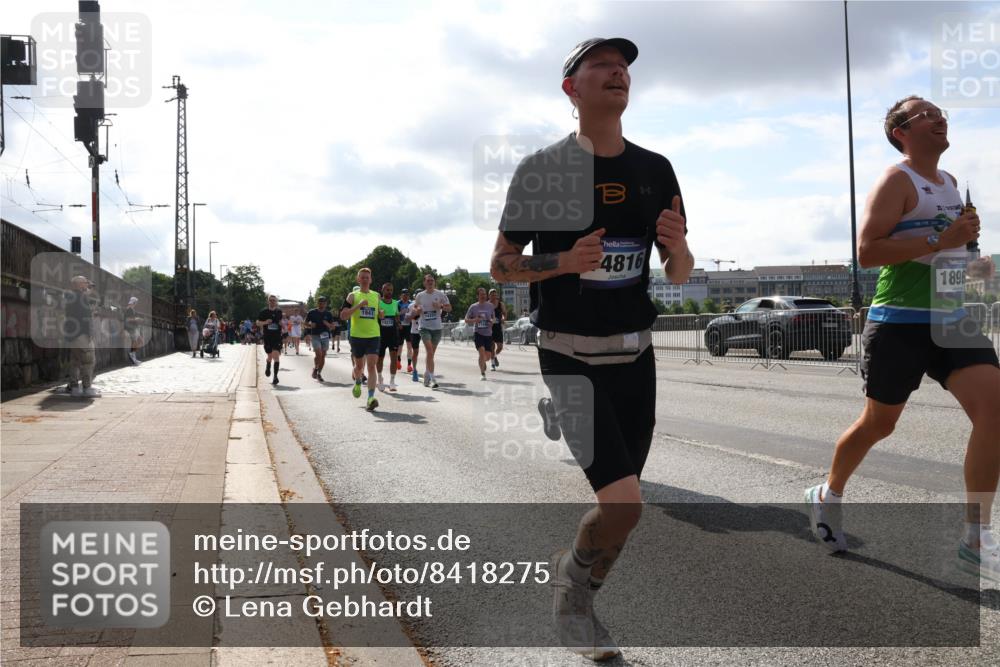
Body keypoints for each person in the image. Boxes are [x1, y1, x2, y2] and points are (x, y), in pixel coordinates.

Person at [490, 37, 692, 660]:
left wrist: (681, 247)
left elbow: (679, 271)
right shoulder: (544, 171)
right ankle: (575, 601)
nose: (618, 72)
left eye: (624, 66)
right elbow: (501, 266)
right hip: (568, 354)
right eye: (601, 65)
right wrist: (562, 261)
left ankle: (572, 569)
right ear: (570, 88)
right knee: (625, 503)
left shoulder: (656, 169)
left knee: (623, 511)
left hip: (635, 355)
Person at [805, 95, 1000, 580]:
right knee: (879, 424)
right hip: (899, 322)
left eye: (940, 112)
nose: (939, 118)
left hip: (952, 319)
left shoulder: (950, 183)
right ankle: (828, 493)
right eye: (925, 114)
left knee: (995, 412)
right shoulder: (896, 180)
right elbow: (868, 251)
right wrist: (940, 240)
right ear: (901, 133)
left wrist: (972, 264)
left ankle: (976, 538)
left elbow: (950, 256)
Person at [341, 269, 381, 411]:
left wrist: (381, 314)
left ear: (371, 280)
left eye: (367, 277)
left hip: (373, 335)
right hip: (357, 336)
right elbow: (343, 315)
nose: (365, 279)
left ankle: (370, 398)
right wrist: (358, 306)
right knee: (359, 367)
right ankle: (358, 382)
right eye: (362, 277)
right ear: (358, 280)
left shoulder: (376, 296)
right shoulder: (352, 296)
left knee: (371, 366)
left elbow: (378, 314)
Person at [411, 274, 451, 388]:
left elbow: (449, 308)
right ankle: (433, 379)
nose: (430, 282)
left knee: (431, 354)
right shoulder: (420, 295)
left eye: (432, 280)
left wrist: (441, 306)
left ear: (434, 282)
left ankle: (427, 373)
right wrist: (417, 309)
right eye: (428, 281)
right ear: (424, 283)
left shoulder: (440, 294)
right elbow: (415, 307)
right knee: (429, 351)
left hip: (437, 328)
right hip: (424, 327)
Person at [65, 275, 101, 397]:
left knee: (75, 362)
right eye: (86, 282)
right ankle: (87, 388)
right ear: (80, 284)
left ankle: (74, 388)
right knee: (88, 361)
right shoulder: (81, 297)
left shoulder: (71, 296)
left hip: (72, 335)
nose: (87, 284)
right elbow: (84, 317)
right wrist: (89, 334)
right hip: (82, 334)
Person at [466, 287, 497, 381]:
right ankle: (482, 373)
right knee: (481, 352)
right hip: (478, 333)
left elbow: (493, 318)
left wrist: (492, 321)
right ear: (477, 296)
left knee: (487, 357)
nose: (483, 296)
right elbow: (466, 319)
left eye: (484, 294)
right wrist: (475, 320)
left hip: (488, 334)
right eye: (481, 294)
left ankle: (483, 362)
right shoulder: (473, 307)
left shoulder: (490, 306)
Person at [376, 282, 401, 392]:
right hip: (380, 335)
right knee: (380, 358)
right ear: (382, 290)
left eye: (391, 290)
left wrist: (399, 323)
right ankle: (380, 379)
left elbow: (396, 315)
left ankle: (392, 381)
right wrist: (379, 316)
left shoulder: (395, 303)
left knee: (394, 357)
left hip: (393, 335)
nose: (389, 292)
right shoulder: (378, 303)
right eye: (387, 290)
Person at [305, 296, 336, 381]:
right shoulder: (312, 312)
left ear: (326, 304)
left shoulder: (328, 314)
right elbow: (305, 323)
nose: (322, 304)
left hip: (325, 336)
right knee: (319, 354)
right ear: (317, 303)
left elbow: (333, 327)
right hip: (315, 336)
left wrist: (328, 324)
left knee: (323, 356)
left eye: (323, 302)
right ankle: (316, 368)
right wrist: (310, 325)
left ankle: (319, 373)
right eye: (320, 302)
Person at [257, 295, 284, 385]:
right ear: (268, 301)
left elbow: (281, 322)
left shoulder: (279, 312)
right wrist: (265, 322)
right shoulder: (264, 312)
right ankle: (268, 366)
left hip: (277, 337)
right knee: (270, 356)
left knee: (276, 356)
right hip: (268, 337)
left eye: (274, 300)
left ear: (276, 302)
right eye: (271, 300)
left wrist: (282, 324)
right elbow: (257, 323)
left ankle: (275, 376)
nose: (272, 302)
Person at [397, 288, 415, 373]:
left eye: (407, 295)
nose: (405, 297)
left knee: (409, 346)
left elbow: (415, 314)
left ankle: (409, 365)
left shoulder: (411, 303)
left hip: (409, 327)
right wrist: (399, 323)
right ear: (401, 295)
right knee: (399, 346)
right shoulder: (397, 303)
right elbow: (395, 314)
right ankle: (398, 361)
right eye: (404, 295)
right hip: (400, 326)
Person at [488, 288, 506, 370]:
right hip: (489, 328)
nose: (494, 297)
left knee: (500, 347)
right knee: (492, 346)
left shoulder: (500, 304)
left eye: (495, 295)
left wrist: (503, 319)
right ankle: (492, 365)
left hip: (498, 327)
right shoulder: (487, 305)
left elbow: (504, 313)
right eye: (492, 295)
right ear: (489, 296)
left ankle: (494, 356)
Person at [123, 296, 142, 365]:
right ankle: (133, 357)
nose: (136, 303)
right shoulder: (129, 309)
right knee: (136, 341)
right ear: (134, 302)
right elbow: (127, 319)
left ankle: (133, 355)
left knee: (139, 341)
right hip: (130, 328)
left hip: (134, 327)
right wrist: (136, 319)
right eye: (136, 302)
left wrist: (137, 320)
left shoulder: (132, 309)